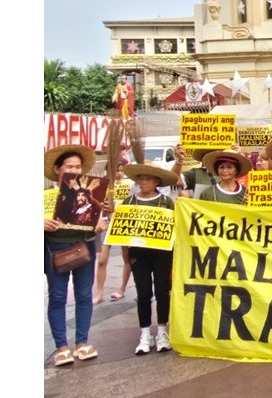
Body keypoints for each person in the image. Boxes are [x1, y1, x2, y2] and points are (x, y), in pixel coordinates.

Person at [44, 144, 107, 366]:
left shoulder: (91, 194)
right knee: (58, 296)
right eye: (69, 166)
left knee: (83, 295)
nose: (75, 170)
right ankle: (61, 347)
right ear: (57, 169)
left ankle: (82, 343)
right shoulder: (46, 195)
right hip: (55, 250)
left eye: (78, 167)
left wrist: (100, 222)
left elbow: (101, 217)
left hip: (85, 248)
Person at [121, 162, 178, 354]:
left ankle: (162, 331)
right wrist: (126, 255)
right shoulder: (129, 202)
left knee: (163, 292)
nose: (143, 182)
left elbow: (174, 228)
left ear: (157, 181)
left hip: (162, 253)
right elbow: (122, 231)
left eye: (147, 178)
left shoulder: (166, 202)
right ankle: (145, 333)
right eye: (140, 178)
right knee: (143, 293)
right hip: (139, 255)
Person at [93, 161, 132, 304]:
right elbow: (96, 206)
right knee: (102, 260)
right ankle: (99, 293)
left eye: (122, 170)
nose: (119, 173)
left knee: (127, 258)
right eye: (116, 170)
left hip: (124, 224)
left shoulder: (130, 185)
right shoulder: (103, 186)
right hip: (107, 223)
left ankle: (122, 289)